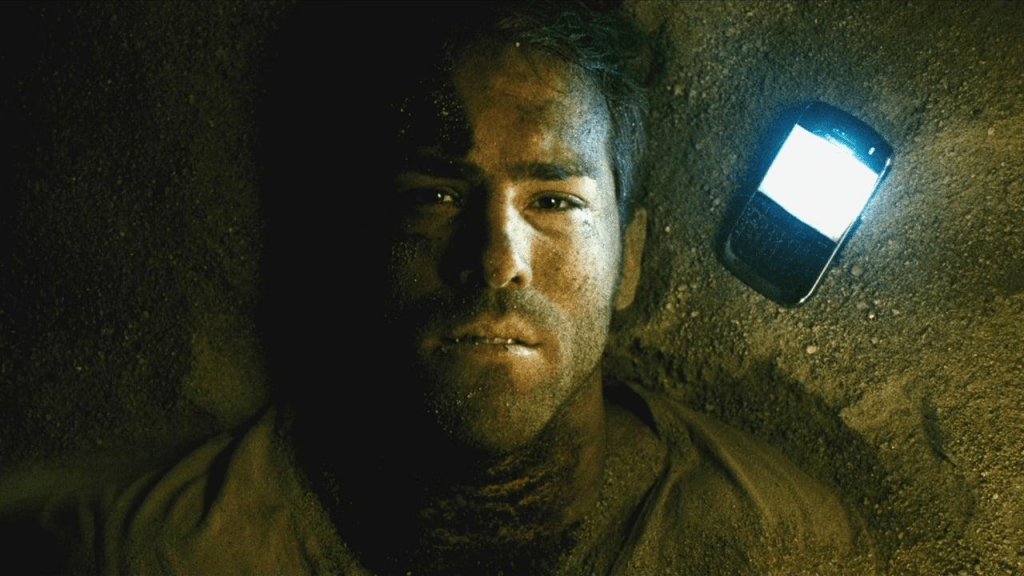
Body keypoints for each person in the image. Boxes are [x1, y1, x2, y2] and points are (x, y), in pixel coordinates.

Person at [34, 2, 876, 574]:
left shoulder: (778, 544)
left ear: (631, 261)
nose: (496, 258)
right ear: (357, 234)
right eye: (434, 195)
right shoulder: (165, 552)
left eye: (554, 201)